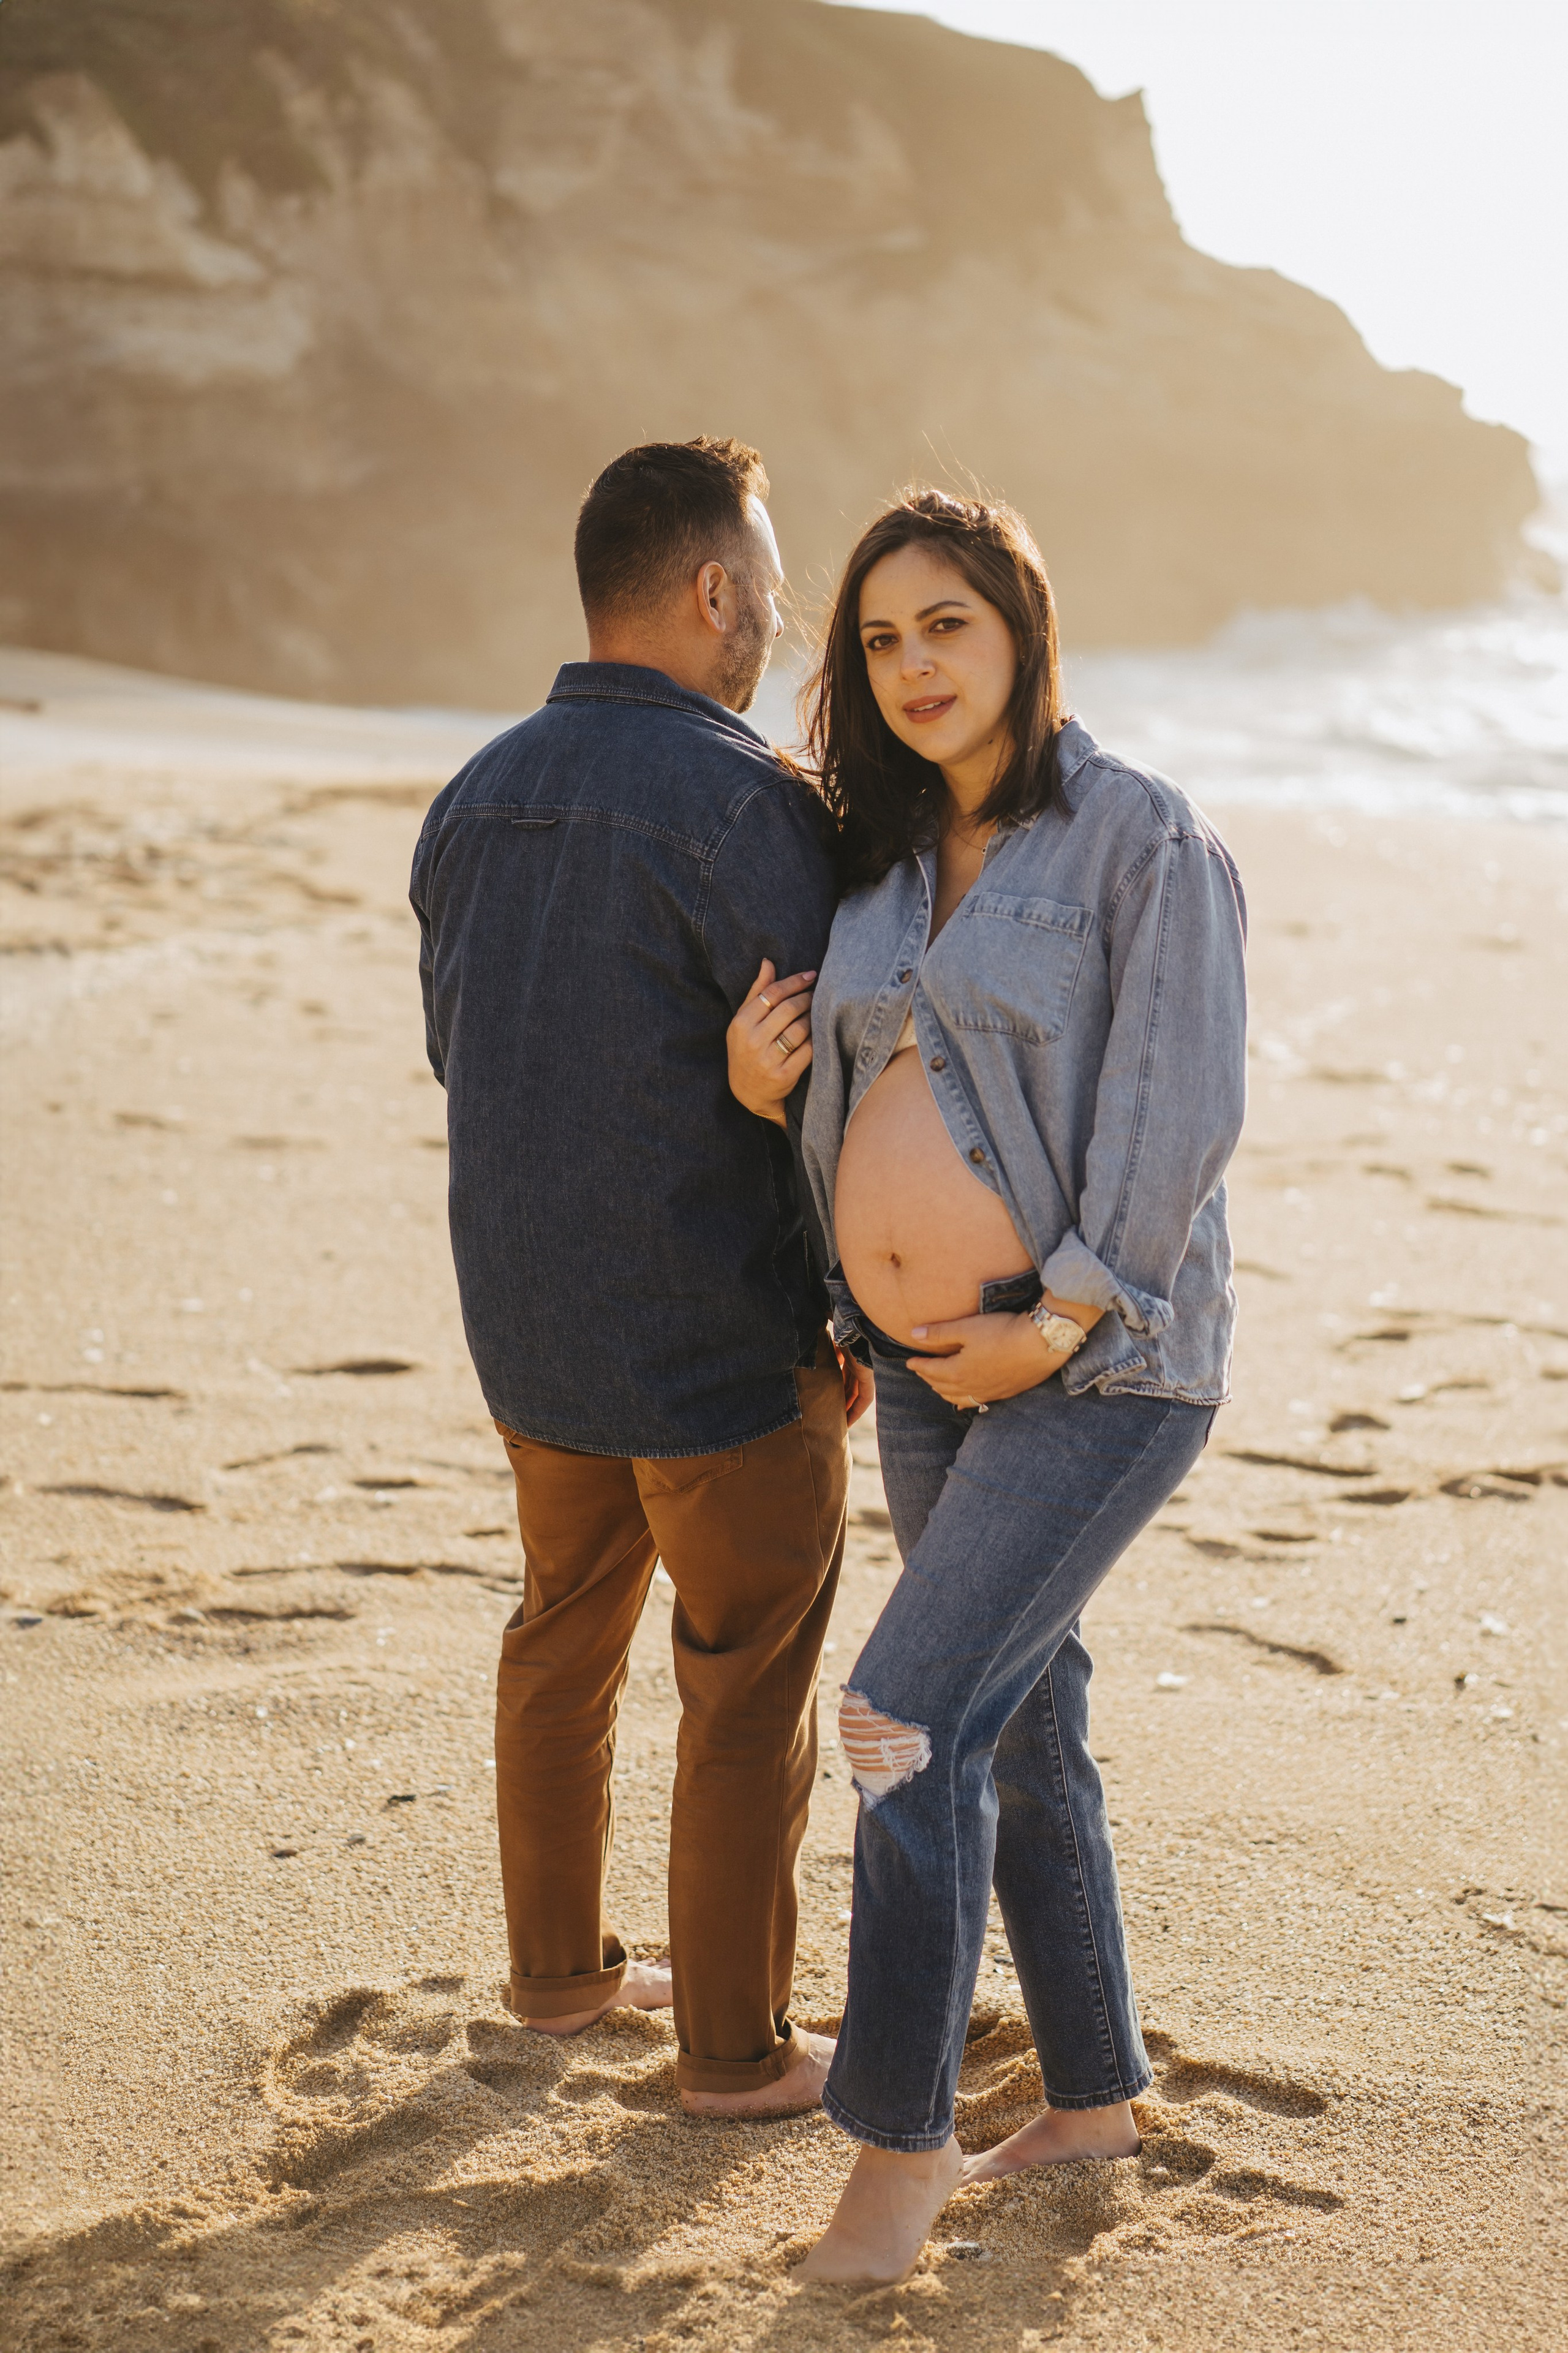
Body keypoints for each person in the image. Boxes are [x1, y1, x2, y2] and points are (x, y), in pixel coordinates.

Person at [727, 488, 1247, 2275]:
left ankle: (899, 2145)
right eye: (880, 638)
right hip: (926, 1373)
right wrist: (768, 1098)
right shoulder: (878, 867)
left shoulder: (1137, 837)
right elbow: (870, 1102)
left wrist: (1064, 1315)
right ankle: (1092, 2091)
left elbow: (1178, 1106)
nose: (914, 664)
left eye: (946, 623)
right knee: (1019, 1722)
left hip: (1100, 1372)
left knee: (899, 1718)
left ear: (1023, 627)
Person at [411, 437, 870, 2118]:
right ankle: (737, 2054)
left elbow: (466, 1057)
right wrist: (851, 1309)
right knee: (744, 1684)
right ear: (713, 591)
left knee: (561, 1641)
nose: (780, 620)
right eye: (772, 587)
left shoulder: (470, 796)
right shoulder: (749, 803)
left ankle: (558, 1979)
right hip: (715, 1339)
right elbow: (824, 1082)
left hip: (531, 1332)